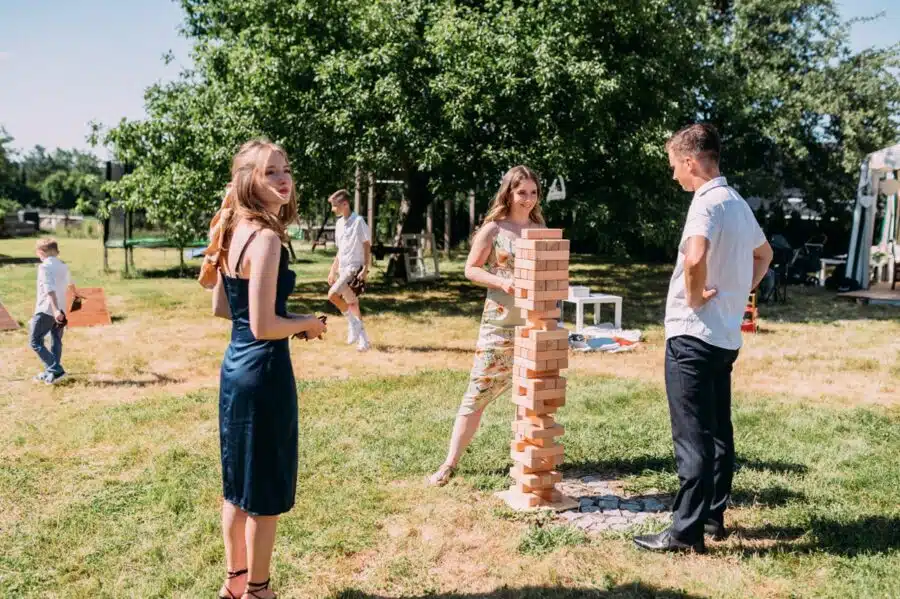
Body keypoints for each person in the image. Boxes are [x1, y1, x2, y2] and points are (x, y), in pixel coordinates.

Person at [634, 124, 773, 553]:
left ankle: (684, 534)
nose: (673, 173)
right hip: (724, 337)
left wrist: (694, 297)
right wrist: (737, 291)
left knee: (691, 435)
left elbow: (695, 257)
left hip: (692, 335)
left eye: (674, 164)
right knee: (717, 432)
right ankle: (712, 518)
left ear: (691, 161)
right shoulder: (737, 203)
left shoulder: (706, 204)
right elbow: (764, 255)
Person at [207, 139, 327, 599]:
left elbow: (223, 308)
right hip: (264, 372)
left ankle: (234, 582)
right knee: (263, 493)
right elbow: (263, 325)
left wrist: (281, 319)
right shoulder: (268, 238)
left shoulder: (231, 229)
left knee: (237, 483)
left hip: (234, 368)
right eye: (270, 172)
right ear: (248, 181)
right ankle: (259, 590)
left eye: (286, 170)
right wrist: (307, 323)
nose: (283, 180)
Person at [429, 165, 545, 486]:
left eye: (534, 193)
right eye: (522, 193)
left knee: (531, 396)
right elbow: (471, 269)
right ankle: (449, 464)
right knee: (477, 393)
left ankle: (527, 465)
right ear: (508, 192)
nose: (529, 200)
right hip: (500, 322)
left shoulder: (539, 227)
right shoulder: (493, 229)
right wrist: (503, 283)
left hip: (532, 324)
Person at [326, 189, 372, 351]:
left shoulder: (359, 221)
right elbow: (340, 250)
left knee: (332, 295)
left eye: (334, 206)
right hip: (343, 268)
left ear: (345, 204)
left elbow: (367, 245)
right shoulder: (339, 224)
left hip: (353, 268)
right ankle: (364, 340)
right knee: (352, 304)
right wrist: (333, 270)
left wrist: (365, 268)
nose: (333, 209)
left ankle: (353, 323)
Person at [30, 237, 80, 384]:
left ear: (41, 252)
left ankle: (55, 369)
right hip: (61, 309)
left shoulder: (44, 267)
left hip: (47, 309)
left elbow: (49, 290)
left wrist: (55, 310)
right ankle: (51, 373)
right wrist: (75, 295)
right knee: (56, 340)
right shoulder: (63, 266)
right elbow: (71, 284)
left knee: (35, 341)